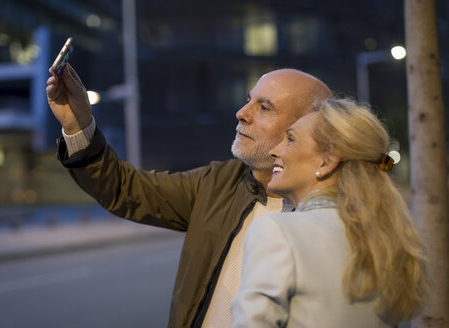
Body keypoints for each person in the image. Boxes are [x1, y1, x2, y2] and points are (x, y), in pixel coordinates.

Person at [46, 63, 332, 327]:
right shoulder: (217, 184)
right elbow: (122, 187)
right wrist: (78, 127)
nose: (242, 113)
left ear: (307, 129)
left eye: (265, 107)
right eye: (248, 100)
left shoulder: (341, 218)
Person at [230, 98, 426, 328]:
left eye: (290, 139)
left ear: (327, 161)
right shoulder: (386, 242)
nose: (275, 151)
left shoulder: (277, 231)